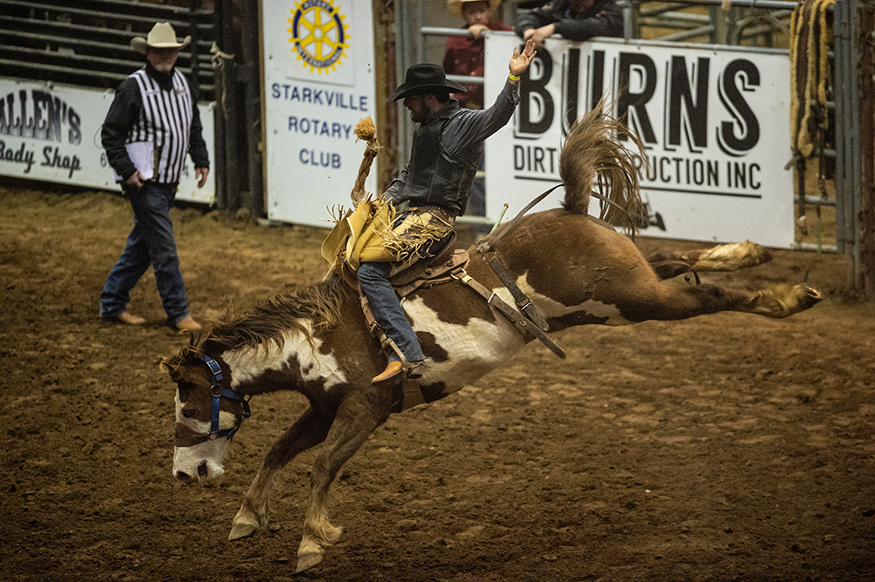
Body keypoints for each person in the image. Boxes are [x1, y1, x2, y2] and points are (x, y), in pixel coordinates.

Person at [359, 39, 537, 384]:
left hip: (432, 222)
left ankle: (409, 351)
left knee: (369, 272)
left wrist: (513, 80)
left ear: (428, 97)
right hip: (411, 217)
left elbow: (497, 115)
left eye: (410, 98)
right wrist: (380, 204)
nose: (407, 104)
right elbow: (410, 177)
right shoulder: (426, 128)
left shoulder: (461, 125)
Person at [99, 22, 209, 332]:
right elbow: (111, 133)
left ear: (177, 53)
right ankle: (178, 312)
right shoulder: (133, 87)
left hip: (168, 180)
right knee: (163, 247)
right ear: (148, 53)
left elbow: (192, 127)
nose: (166, 55)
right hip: (144, 182)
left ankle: (111, 302)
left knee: (143, 246)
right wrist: (126, 170)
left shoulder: (184, 86)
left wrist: (200, 159)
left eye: (170, 50)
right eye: (160, 50)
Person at [443, 0, 513, 110]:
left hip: (495, 102)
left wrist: (490, 35)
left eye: (482, 11)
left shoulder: (502, 31)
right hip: (463, 104)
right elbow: (448, 70)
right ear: (464, 14)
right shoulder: (455, 38)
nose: (478, 16)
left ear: (489, 11)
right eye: (472, 12)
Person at [514, 0, 623, 48]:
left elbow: (595, 27)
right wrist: (528, 31)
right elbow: (531, 16)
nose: (579, 3)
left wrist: (555, 28)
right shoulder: (561, 5)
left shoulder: (610, 9)